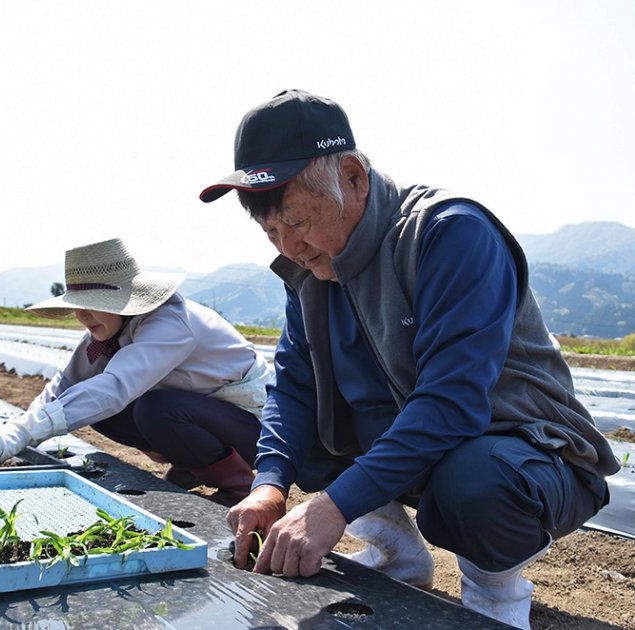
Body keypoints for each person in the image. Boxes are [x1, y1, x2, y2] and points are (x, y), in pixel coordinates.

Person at [199, 89, 619, 629]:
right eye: (271, 232)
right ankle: (401, 555)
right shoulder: (308, 268)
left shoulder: (447, 234)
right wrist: (269, 484)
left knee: (474, 486)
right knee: (299, 439)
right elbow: (294, 386)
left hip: (529, 454)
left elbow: (452, 404)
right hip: (426, 448)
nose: (288, 248)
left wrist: (333, 507)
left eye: (298, 223)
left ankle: (496, 600)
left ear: (352, 176)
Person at [0, 237, 273, 507]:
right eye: (77, 305)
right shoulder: (108, 332)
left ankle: (238, 487)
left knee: (155, 409)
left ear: (124, 300)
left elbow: (115, 386)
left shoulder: (169, 322)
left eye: (92, 304)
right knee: (98, 408)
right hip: (206, 412)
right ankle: (191, 464)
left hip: (256, 426)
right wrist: (18, 432)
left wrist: (25, 431)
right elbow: (63, 386)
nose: (81, 314)